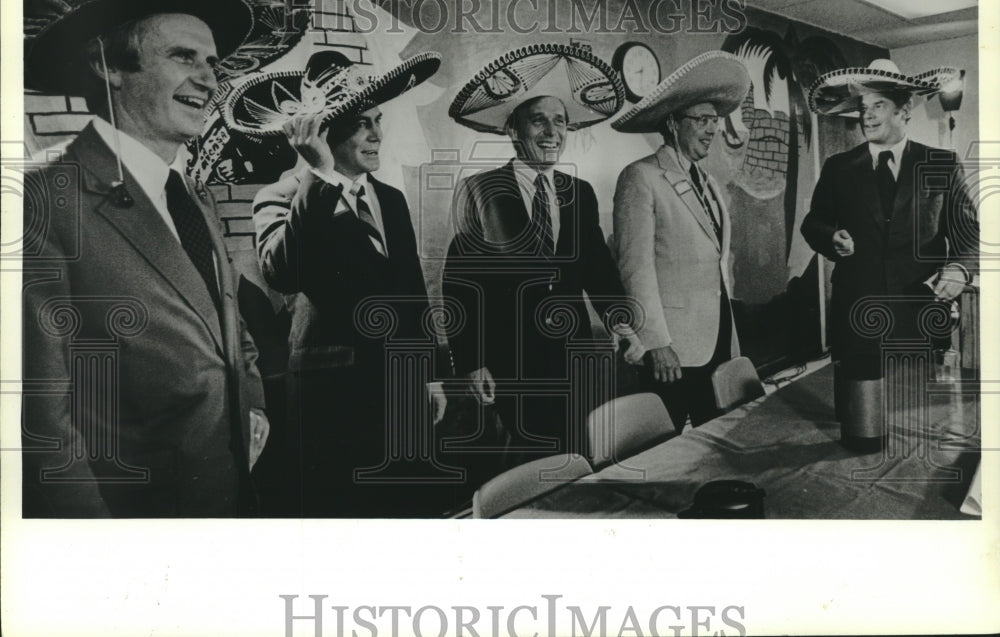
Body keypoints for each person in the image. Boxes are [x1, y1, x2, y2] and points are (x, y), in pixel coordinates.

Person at [19, 0, 311, 516]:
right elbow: (41, 423)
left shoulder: (191, 194)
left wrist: (252, 404)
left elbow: (233, 329)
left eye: (213, 63)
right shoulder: (41, 199)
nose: (211, 80)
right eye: (185, 58)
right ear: (111, 66)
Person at [250, 50, 445, 516]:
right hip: (332, 398)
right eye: (363, 123)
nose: (378, 135)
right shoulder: (280, 195)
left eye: (379, 120)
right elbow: (283, 272)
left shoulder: (391, 199)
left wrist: (433, 373)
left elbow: (411, 289)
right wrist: (318, 176)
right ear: (326, 132)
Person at [443, 43, 642, 463]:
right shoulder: (479, 191)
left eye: (560, 122)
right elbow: (460, 285)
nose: (552, 132)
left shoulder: (578, 193)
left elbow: (597, 268)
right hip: (508, 361)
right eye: (538, 121)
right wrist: (473, 361)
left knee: (576, 451)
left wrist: (619, 319)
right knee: (528, 460)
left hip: (572, 354)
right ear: (513, 130)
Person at [801, 59, 979, 435]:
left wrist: (960, 269)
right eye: (863, 108)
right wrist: (829, 237)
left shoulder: (941, 164)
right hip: (857, 316)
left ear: (904, 110)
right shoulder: (839, 167)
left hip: (918, 317)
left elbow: (969, 236)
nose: (867, 115)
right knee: (859, 431)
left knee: (920, 426)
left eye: (877, 105)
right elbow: (812, 222)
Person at [611, 51, 751, 433]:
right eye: (702, 120)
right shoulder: (641, 177)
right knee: (668, 441)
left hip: (716, 335)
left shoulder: (705, 181)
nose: (712, 130)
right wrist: (656, 342)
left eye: (715, 121)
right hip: (672, 345)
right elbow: (635, 267)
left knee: (715, 434)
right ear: (673, 123)